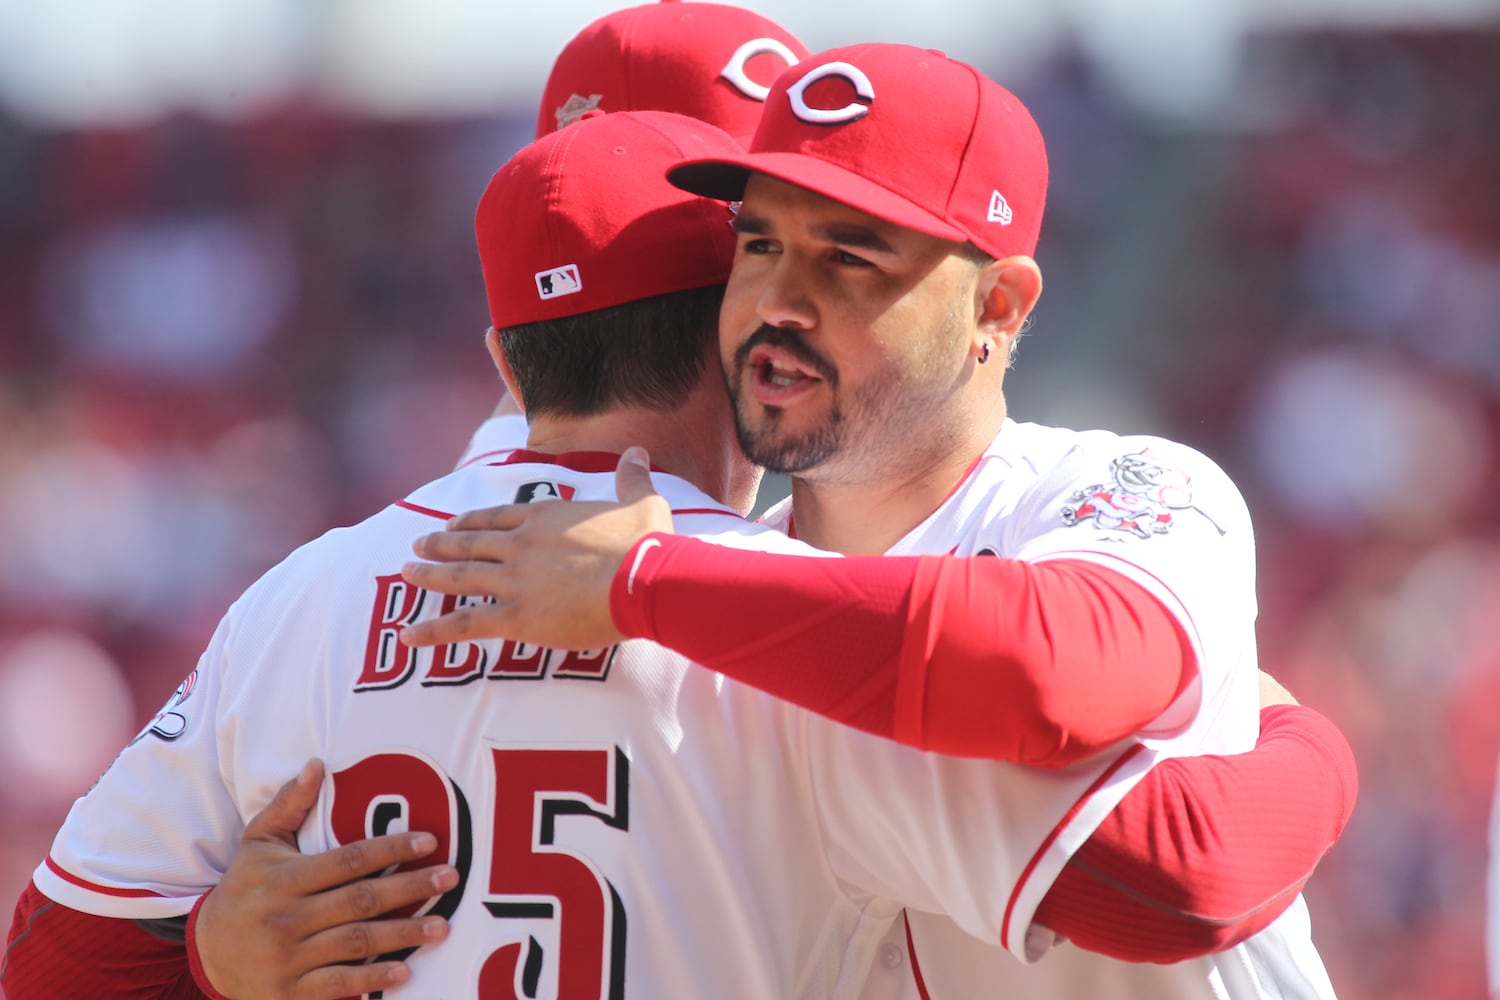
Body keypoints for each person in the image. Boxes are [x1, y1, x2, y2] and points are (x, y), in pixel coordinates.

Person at [394, 43, 1354, 997]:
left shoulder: (1122, 483)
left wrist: (645, 583)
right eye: (760, 245)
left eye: (849, 258)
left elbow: (1066, 689)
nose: (778, 302)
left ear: (999, 305)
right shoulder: (713, 597)